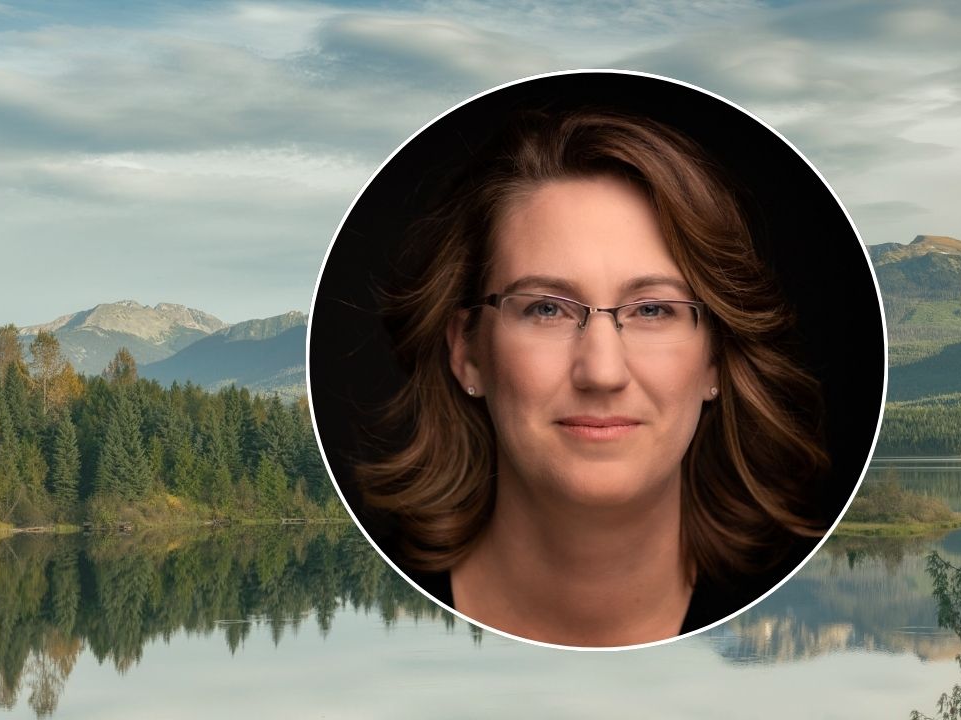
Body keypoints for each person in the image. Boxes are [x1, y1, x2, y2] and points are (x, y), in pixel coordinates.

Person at [355, 108, 830, 647]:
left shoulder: (796, 612)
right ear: (468, 352)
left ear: (715, 359)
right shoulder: (364, 615)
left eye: (652, 310)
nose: (602, 372)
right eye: (546, 310)